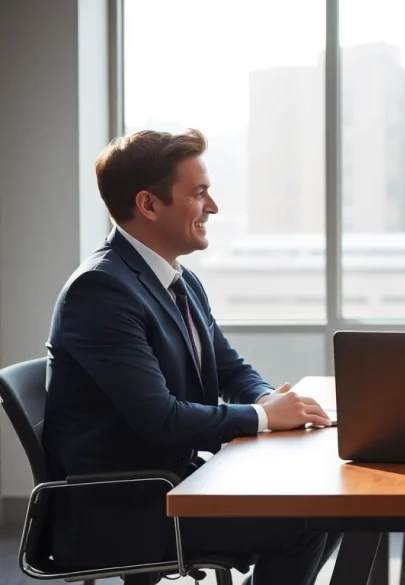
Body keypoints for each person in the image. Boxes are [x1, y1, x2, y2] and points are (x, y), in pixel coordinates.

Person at [43, 129, 341, 584]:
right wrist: (263, 419)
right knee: (306, 522)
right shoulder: (100, 290)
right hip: (127, 509)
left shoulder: (178, 280)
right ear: (148, 204)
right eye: (199, 194)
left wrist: (267, 399)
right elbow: (160, 419)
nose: (214, 207)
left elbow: (227, 367)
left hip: (176, 484)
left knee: (325, 506)